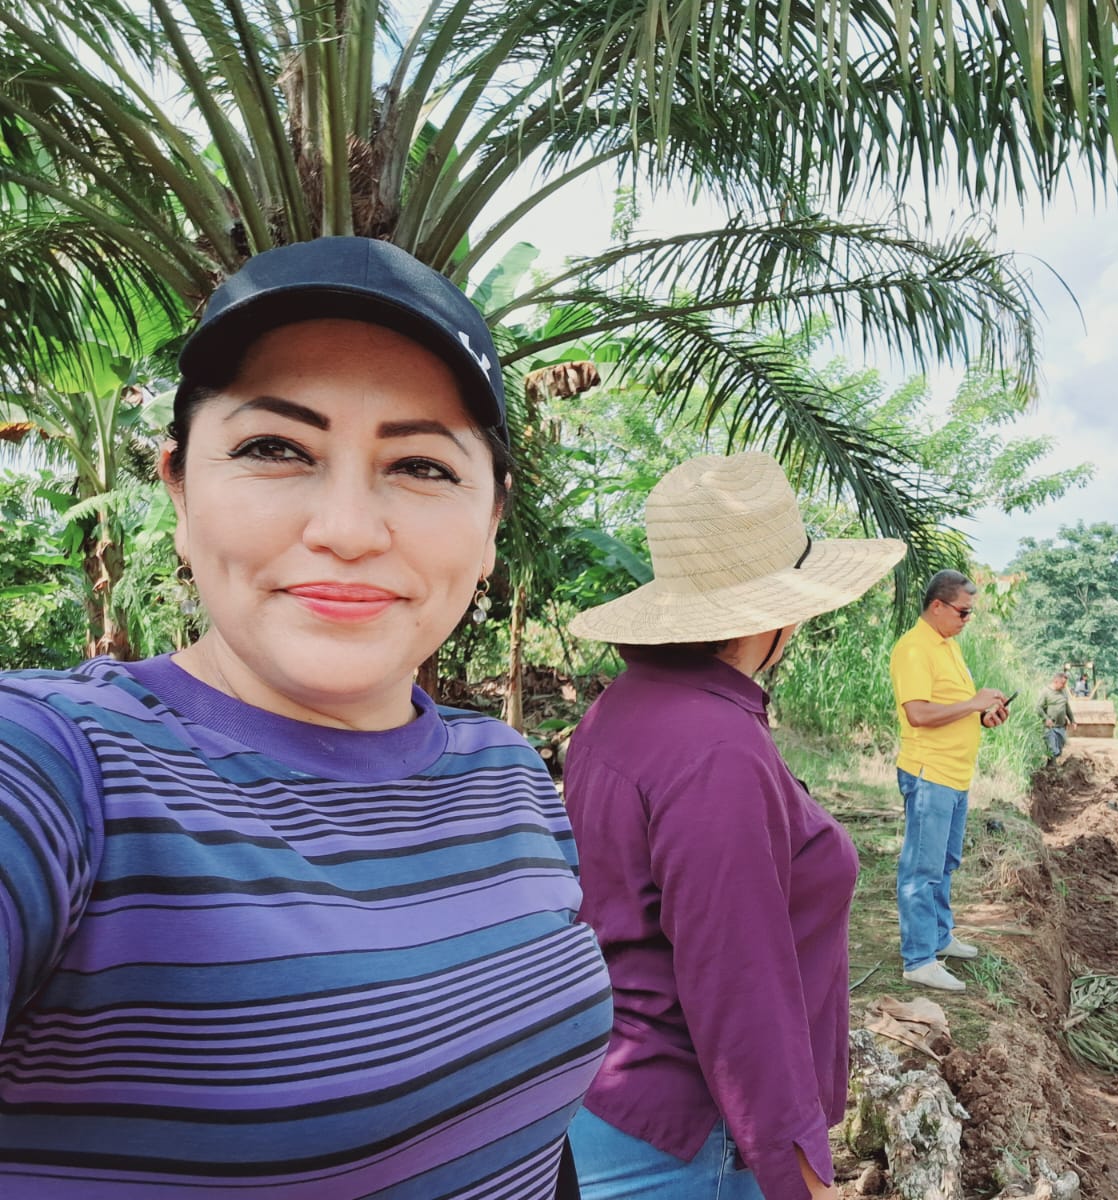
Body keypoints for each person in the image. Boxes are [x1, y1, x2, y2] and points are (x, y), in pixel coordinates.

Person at [0, 237, 612, 1198]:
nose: (348, 530)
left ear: (492, 522)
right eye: (274, 449)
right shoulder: (60, 768)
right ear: (179, 488)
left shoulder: (505, 773)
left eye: (421, 465)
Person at [561, 452, 904, 1200]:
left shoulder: (619, 709)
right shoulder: (718, 749)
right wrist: (800, 1179)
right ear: (781, 612)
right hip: (691, 1140)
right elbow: (740, 989)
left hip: (612, 1099)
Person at [889, 570, 1010, 992]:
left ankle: (939, 937)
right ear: (937, 606)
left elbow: (952, 708)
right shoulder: (914, 649)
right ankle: (919, 959)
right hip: (930, 774)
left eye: (970, 613)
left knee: (944, 863)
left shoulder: (948, 647)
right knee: (921, 868)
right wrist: (973, 703)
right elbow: (918, 713)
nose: (967, 619)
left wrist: (983, 715)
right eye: (962, 612)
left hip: (955, 774)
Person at [1037, 670, 1077, 761]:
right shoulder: (1046, 692)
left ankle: (1053, 765)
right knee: (1053, 750)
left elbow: (1067, 707)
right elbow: (1038, 707)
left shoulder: (1063, 692)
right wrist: (1046, 718)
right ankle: (1052, 765)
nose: (1064, 686)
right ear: (1056, 681)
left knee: (1059, 750)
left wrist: (1073, 720)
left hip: (1061, 727)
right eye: (1062, 683)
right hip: (1050, 727)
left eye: (1065, 683)